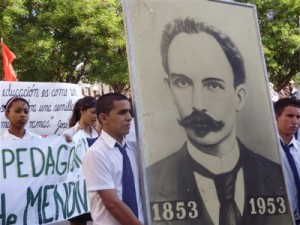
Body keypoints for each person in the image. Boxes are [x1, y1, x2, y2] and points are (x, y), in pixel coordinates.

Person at [147, 17, 292, 225]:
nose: (197, 104)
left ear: (239, 96)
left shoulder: (275, 174)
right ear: (169, 89)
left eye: (213, 85)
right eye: (182, 82)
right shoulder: (152, 180)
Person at [82, 93, 144, 225]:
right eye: (122, 113)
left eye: (129, 112)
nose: (129, 118)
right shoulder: (96, 154)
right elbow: (112, 204)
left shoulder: (134, 149)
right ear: (104, 118)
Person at [63, 96, 98, 225]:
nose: (96, 116)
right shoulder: (69, 134)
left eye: (98, 113)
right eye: (93, 112)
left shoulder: (98, 133)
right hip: (77, 190)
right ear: (82, 111)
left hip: (96, 187)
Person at [274, 97, 300, 225]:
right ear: (276, 117)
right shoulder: (267, 150)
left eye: (298, 117)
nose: (295, 121)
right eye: (290, 116)